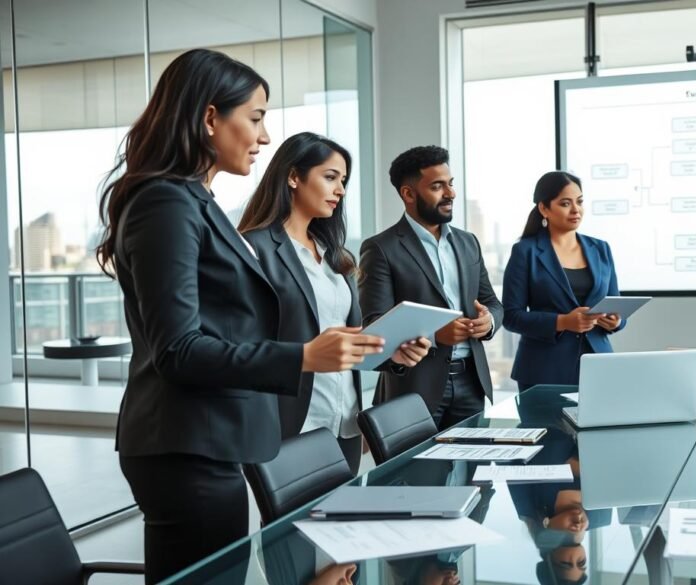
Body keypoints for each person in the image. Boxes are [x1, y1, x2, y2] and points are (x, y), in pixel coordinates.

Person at [96, 49, 383, 583]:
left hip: (209, 440)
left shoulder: (196, 201)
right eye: (255, 117)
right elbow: (179, 350)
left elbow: (226, 326)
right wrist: (301, 356)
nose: (265, 136)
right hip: (186, 446)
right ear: (210, 118)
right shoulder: (166, 203)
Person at [238, 132, 431, 474]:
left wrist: (391, 353)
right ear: (293, 177)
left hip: (345, 421)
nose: (340, 190)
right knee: (294, 527)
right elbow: (245, 345)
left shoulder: (335, 257)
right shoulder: (255, 249)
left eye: (343, 181)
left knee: (342, 525)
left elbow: (342, 340)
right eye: (330, 178)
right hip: (293, 421)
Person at [359, 145, 503, 429]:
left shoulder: (468, 242)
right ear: (408, 194)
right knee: (417, 474)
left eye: (450, 184)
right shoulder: (380, 249)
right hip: (413, 390)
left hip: (471, 385)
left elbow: (494, 305)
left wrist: (487, 323)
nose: (450, 193)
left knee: (469, 471)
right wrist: (436, 336)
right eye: (437, 186)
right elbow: (374, 327)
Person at [502, 171, 625, 391]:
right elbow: (511, 316)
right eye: (565, 203)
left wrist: (616, 322)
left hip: (598, 364)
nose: (576, 210)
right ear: (544, 208)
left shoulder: (601, 248)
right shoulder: (525, 251)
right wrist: (562, 322)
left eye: (579, 202)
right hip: (543, 369)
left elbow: (617, 305)